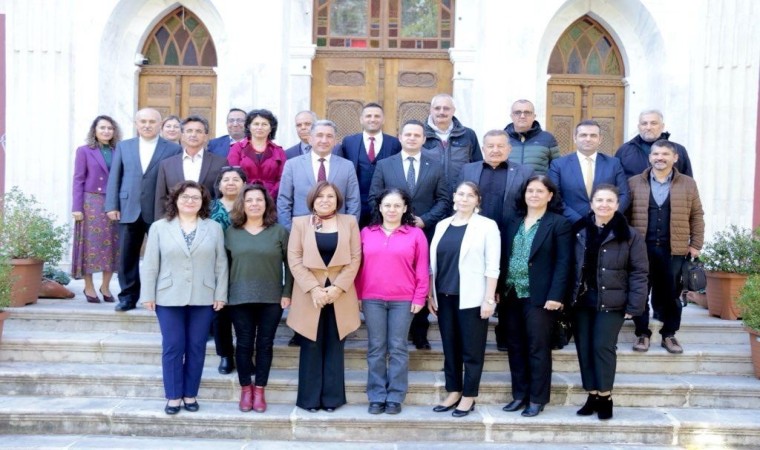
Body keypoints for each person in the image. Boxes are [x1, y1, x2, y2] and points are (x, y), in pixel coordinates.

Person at [139, 180, 228, 415]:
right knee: (173, 346)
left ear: (203, 202)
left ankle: (190, 394)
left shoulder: (213, 228)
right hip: (168, 296)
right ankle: (173, 396)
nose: (190, 201)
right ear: (176, 200)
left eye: (196, 197)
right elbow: (150, 263)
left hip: (204, 295)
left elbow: (221, 263)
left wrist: (220, 293)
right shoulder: (159, 227)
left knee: (197, 346)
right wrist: (147, 294)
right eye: (185, 197)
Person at [369, 119, 450, 350]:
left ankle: (420, 333)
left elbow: (444, 200)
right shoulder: (385, 165)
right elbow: (375, 197)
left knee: (421, 276)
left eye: (417, 135)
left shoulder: (435, 166)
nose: (412, 138)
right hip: (391, 233)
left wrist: (425, 220)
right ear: (400, 137)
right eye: (408, 134)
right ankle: (394, 334)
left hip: (424, 231)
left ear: (424, 139)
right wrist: (391, 222)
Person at [570, 184, 648, 420]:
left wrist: (634, 306)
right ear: (591, 204)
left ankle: (605, 396)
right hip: (581, 301)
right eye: (599, 200)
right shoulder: (578, 230)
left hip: (612, 301)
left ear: (617, 205)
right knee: (584, 347)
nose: (604, 205)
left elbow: (639, 272)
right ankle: (592, 394)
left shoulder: (630, 235)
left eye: (609, 201)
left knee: (602, 346)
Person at [500, 175, 572, 417]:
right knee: (515, 346)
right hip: (511, 293)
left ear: (550, 195)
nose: (534, 195)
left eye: (540, 191)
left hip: (540, 296)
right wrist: (498, 289)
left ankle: (537, 398)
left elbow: (564, 263)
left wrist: (556, 295)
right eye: (530, 190)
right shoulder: (513, 221)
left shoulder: (559, 224)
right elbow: (504, 257)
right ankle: (519, 395)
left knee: (537, 347)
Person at [286, 181, 361, 412]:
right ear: (312, 200)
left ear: (338, 200)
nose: (325, 200)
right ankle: (309, 400)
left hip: (340, 294)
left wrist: (337, 288)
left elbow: (355, 258)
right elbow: (294, 259)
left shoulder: (349, 222)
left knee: (335, 345)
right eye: (320, 196)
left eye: (330, 196)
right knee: (311, 344)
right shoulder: (300, 223)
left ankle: (332, 399)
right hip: (310, 294)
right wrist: (314, 288)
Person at [428, 181, 500, 418]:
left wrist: (489, 299)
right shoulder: (442, 225)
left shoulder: (487, 226)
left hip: (472, 298)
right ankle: (453, 391)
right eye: (460, 194)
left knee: (472, 350)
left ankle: (469, 395)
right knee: (450, 348)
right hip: (444, 296)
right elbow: (433, 264)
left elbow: (493, 266)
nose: (464, 199)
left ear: (478, 200)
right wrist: (430, 294)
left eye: (470, 195)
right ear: (454, 197)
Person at [355, 188, 429, 415]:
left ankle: (395, 396)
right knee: (376, 347)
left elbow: (422, 269)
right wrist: (358, 295)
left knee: (398, 347)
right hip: (372, 298)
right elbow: (357, 267)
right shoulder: (366, 233)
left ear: (405, 208)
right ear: (379, 207)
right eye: (387, 205)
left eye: (397, 205)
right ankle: (377, 396)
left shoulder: (415, 234)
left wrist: (420, 296)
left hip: (403, 300)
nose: (392, 210)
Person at [459, 129, 535, 350]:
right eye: (490, 146)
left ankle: (504, 333)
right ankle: (473, 334)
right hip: (475, 236)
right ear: (483, 149)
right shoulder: (468, 170)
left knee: (506, 283)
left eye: (500, 146)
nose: (495, 150)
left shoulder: (524, 171)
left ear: (509, 149)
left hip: (510, 236)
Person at [628, 139, 705, 354]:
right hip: (641, 248)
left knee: (672, 294)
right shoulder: (634, 182)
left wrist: (696, 244)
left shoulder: (688, 183)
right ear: (650, 157)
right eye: (656, 154)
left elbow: (697, 215)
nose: (660, 158)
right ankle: (642, 333)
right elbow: (625, 215)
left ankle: (669, 334)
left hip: (674, 249)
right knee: (640, 291)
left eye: (665, 154)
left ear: (675, 158)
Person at [105, 108, 182, 312]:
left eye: (152, 122)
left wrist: (174, 210)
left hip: (159, 209)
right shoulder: (124, 146)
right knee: (127, 256)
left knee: (163, 255)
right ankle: (128, 297)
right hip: (127, 208)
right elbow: (115, 176)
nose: (147, 125)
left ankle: (162, 295)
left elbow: (175, 182)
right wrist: (112, 205)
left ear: (160, 125)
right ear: (136, 124)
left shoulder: (173, 149)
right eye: (143, 121)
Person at [225, 183, 293, 413]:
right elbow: (223, 267)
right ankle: (246, 389)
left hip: (271, 298)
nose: (254, 204)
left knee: (265, 344)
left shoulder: (279, 232)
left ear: (266, 204)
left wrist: (287, 292)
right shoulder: (231, 233)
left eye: (259, 200)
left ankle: (260, 389)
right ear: (242, 204)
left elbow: (291, 265)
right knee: (244, 344)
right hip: (238, 298)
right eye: (249, 200)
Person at [71, 115, 122, 303]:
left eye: (110, 128)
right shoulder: (84, 151)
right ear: (95, 130)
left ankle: (106, 287)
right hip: (90, 202)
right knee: (90, 245)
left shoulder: (120, 150)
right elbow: (78, 179)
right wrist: (76, 207)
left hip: (114, 202)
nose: (106, 131)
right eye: (102, 128)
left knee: (113, 245)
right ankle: (89, 287)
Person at [277, 120, 361, 231]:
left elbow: (353, 201)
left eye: (329, 136)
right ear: (310, 139)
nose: (324, 140)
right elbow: (284, 201)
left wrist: (348, 229)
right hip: (301, 230)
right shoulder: (292, 165)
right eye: (319, 135)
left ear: (335, 141)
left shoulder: (347, 166)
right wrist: (289, 231)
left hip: (337, 230)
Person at [548, 120, 630, 226]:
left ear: (600, 139)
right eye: (583, 135)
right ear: (575, 138)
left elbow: (624, 194)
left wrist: (608, 216)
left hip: (607, 225)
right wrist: (580, 222)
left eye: (593, 135)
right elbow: (555, 197)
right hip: (570, 225)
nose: (588, 139)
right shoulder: (558, 165)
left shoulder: (614, 163)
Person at [334, 103, 402, 226]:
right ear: (361, 119)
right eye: (368, 116)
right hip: (355, 203)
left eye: (377, 116)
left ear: (383, 120)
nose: (372, 119)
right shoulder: (349, 142)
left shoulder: (394, 143)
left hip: (385, 205)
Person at [209, 166, 248, 374]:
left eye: (236, 179)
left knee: (244, 314)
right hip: (215, 266)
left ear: (244, 184)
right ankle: (225, 354)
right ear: (219, 185)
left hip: (245, 265)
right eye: (226, 179)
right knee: (220, 312)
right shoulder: (208, 207)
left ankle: (244, 354)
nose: (231, 183)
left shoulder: (251, 205)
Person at [154, 115, 228, 220]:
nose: (193, 135)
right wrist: (161, 222)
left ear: (206, 136)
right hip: (174, 220)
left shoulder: (220, 162)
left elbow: (222, 195)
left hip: (208, 219)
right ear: (182, 135)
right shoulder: (167, 164)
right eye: (189, 131)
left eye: (198, 131)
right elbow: (161, 198)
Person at [422, 94, 482, 191]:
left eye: (446, 108)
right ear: (431, 110)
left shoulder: (468, 134)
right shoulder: (420, 133)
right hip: (429, 193)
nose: (441, 112)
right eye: (437, 108)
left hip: (461, 194)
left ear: (453, 110)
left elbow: (477, 165)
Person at [227, 109, 287, 201]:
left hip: (272, 199)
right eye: (256, 124)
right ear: (249, 126)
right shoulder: (237, 148)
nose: (260, 127)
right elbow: (233, 175)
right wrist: (247, 195)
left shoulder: (278, 151)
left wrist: (268, 197)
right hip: (243, 198)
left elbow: (283, 179)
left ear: (271, 128)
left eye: (264, 124)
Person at [615, 110, 693, 179]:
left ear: (662, 126)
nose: (648, 127)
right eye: (644, 123)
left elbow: (688, 182)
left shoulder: (678, 150)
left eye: (653, 123)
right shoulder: (624, 151)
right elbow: (617, 181)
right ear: (639, 127)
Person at [504, 99, 560, 174]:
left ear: (534, 116)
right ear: (511, 116)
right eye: (517, 112)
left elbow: (557, 168)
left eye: (527, 112)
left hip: (537, 181)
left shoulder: (548, 139)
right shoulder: (502, 138)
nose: (522, 116)